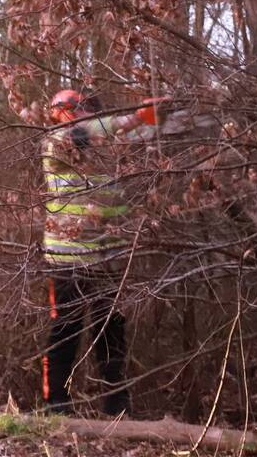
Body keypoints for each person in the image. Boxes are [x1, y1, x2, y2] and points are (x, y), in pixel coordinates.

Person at [40, 89, 165, 416]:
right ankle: (56, 403)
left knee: (111, 329)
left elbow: (146, 133)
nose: (85, 115)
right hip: (67, 257)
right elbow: (86, 133)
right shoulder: (57, 141)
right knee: (65, 328)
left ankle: (115, 402)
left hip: (109, 255)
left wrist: (159, 115)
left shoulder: (107, 142)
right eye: (79, 109)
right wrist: (135, 117)